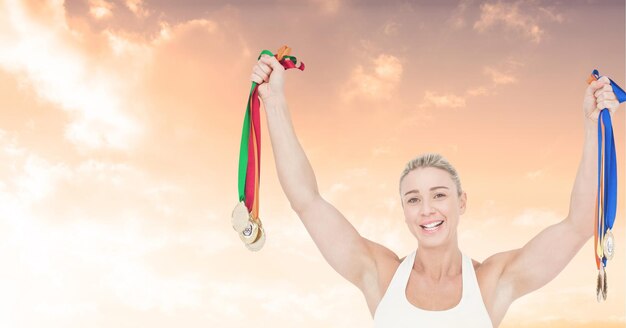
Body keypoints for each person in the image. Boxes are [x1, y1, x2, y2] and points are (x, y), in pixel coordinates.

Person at [249, 54, 621, 327]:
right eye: (414, 199)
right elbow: (306, 201)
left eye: (439, 194)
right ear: (404, 210)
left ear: (461, 202)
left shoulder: (491, 282)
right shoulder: (381, 276)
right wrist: (275, 101)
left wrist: (592, 127)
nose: (426, 209)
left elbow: (577, 225)